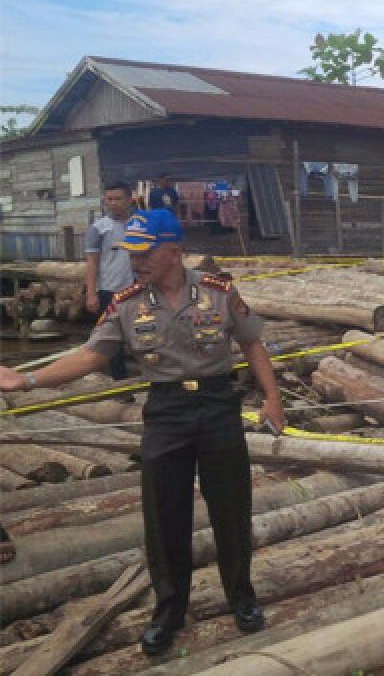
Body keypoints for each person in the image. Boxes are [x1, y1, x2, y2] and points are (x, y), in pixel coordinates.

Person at [0, 209, 284, 656]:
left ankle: (242, 598)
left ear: (174, 251)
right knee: (164, 516)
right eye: (130, 252)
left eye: (144, 252)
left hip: (217, 406)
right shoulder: (127, 302)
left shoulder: (219, 291)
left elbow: (252, 343)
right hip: (166, 410)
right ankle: (168, 612)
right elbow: (92, 357)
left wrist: (273, 399)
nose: (135, 261)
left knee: (231, 509)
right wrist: (28, 380)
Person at [85, 181, 136, 391]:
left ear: (130, 199)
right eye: (109, 199)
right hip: (110, 290)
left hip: (138, 288)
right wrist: (91, 293)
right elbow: (92, 262)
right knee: (113, 338)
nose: (113, 203)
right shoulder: (98, 228)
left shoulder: (140, 224)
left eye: (118, 199)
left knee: (144, 332)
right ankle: (121, 387)